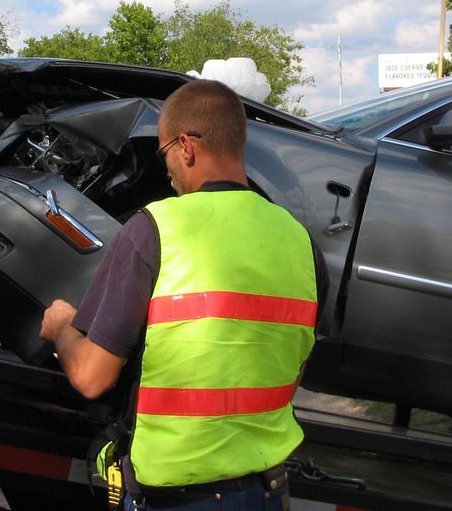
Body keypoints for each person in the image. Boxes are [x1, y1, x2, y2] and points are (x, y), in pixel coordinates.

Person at [40, 78, 327, 511]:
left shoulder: (155, 230)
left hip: (178, 500)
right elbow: (290, 369)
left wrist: (62, 328)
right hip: (268, 493)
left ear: (186, 147)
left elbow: (92, 377)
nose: (166, 169)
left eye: (163, 154)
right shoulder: (301, 243)